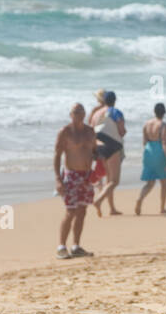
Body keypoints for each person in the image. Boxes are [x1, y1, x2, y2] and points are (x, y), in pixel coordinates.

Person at [53, 103, 97, 259]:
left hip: (86, 176)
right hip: (71, 176)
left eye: (81, 111)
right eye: (76, 111)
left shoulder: (90, 132)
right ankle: (61, 246)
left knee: (82, 211)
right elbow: (57, 156)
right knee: (70, 211)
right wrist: (58, 179)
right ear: (70, 114)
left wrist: (98, 172)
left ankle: (76, 246)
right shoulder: (65, 132)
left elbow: (95, 153)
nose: (79, 114)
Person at [91, 90, 125, 217]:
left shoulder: (96, 114)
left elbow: (92, 129)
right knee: (114, 181)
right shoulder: (115, 112)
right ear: (115, 101)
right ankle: (98, 201)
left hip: (99, 147)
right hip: (112, 146)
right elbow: (122, 131)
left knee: (109, 180)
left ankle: (112, 209)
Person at [135, 102, 166, 215]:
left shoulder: (147, 124)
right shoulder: (163, 125)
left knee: (150, 182)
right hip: (159, 151)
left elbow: (144, 142)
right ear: (164, 113)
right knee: (163, 182)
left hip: (148, 151)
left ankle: (140, 198)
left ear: (154, 112)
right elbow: (165, 143)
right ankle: (162, 208)